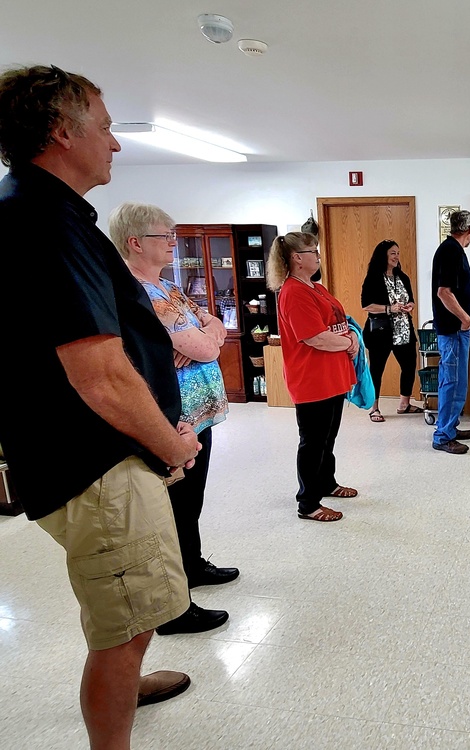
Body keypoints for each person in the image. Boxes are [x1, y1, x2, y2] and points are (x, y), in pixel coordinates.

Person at [0, 65, 200, 748]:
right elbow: (101, 378)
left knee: (130, 609)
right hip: (95, 466)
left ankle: (131, 679)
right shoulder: (42, 221)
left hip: (89, 454)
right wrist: (172, 446)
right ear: (62, 131)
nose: (115, 144)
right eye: (107, 127)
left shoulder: (49, 214)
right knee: (122, 625)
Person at [109, 202, 238, 636]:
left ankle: (192, 566)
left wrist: (206, 332)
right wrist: (205, 340)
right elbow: (207, 347)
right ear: (135, 242)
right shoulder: (137, 292)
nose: (172, 243)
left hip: (198, 415)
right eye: (164, 236)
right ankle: (174, 606)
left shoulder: (167, 287)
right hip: (172, 419)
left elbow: (213, 323)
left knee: (190, 502)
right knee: (173, 508)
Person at [266, 231, 359, 522]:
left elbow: (335, 324)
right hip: (312, 379)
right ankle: (307, 503)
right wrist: (350, 343)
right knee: (313, 441)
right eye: (313, 252)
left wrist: (350, 339)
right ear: (297, 258)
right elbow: (314, 338)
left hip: (332, 376)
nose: (317, 256)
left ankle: (327, 483)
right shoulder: (293, 292)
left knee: (327, 438)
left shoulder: (314, 287)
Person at [431, 210, 470, 455]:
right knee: (451, 381)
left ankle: (450, 427)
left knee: (458, 381)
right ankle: (442, 435)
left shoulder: (452, 250)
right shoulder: (450, 250)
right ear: (469, 230)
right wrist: (465, 317)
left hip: (456, 329)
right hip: (452, 330)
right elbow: (444, 292)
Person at [360, 239, 420, 422]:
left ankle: (404, 404)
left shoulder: (403, 277)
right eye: (393, 253)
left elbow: (411, 300)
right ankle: (374, 408)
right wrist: (389, 309)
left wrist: (410, 306)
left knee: (409, 366)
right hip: (381, 331)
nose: (396, 257)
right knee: (376, 370)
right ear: (383, 255)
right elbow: (366, 305)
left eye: (398, 253)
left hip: (403, 329)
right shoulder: (373, 278)